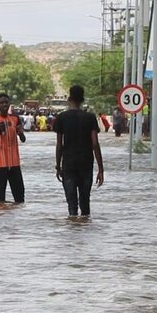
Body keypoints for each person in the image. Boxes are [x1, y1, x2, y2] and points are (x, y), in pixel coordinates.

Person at [54, 85, 104, 218]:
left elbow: (59, 145)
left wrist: (58, 166)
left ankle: (73, 230)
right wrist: (101, 169)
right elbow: (95, 143)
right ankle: (84, 228)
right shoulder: (90, 117)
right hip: (86, 163)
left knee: (72, 204)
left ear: (69, 98)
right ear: (82, 99)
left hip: (68, 164)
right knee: (85, 202)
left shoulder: (61, 117)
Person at [0, 93, 26, 204]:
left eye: (6, 102)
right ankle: (1, 218)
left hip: (14, 163)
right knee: (0, 197)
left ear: (9, 103)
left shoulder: (15, 118)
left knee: (20, 196)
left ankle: (17, 219)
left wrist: (21, 133)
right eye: (1, 103)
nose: (4, 105)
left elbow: (23, 139)